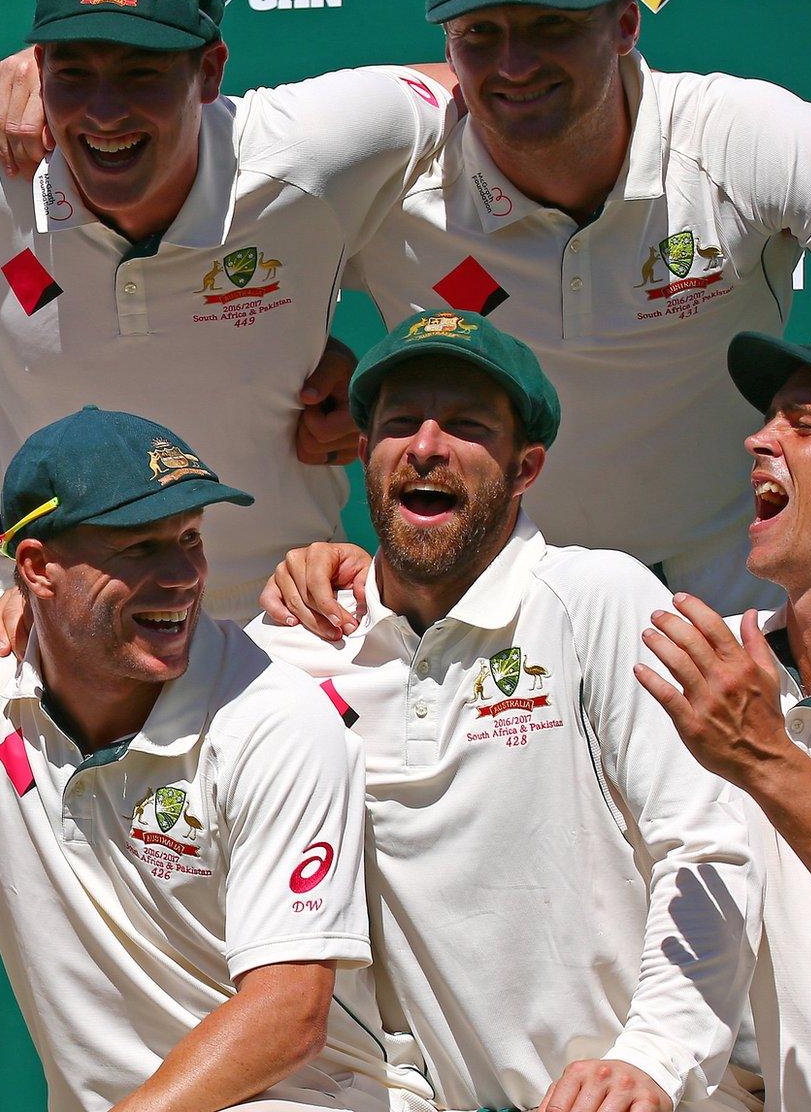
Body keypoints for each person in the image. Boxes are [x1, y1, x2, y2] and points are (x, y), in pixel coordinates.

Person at [0, 407, 431, 1112]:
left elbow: (288, 1014)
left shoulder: (275, 719)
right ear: (37, 569)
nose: (181, 576)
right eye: (138, 549)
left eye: (190, 539)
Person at [248, 310, 758, 1112]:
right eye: (398, 424)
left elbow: (706, 847)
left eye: (466, 424)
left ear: (526, 468)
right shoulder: (291, 649)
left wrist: (652, 1063)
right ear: (361, 453)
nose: (425, 446)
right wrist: (24, 616)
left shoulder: (599, 598)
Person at [0, 0, 448, 620]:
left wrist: (368, 387)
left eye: (140, 71)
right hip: (43, 620)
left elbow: (490, 83)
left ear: (209, 71)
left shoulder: (310, 152)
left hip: (281, 619)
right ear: (38, 64)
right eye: (75, 71)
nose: (105, 110)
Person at [339, 0, 811, 613]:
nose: (514, 64)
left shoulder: (737, 134)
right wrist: (300, 365)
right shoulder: (390, 175)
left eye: (551, 25)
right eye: (481, 32)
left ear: (625, 24)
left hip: (739, 578)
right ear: (447, 45)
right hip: (517, 595)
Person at [636, 329, 811, 1112]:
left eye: (806, 427)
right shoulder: (725, 671)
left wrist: (766, 761)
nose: (756, 438)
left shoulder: (742, 720)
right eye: (768, 419)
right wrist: (361, 585)